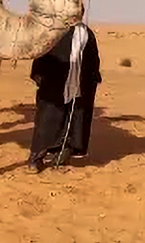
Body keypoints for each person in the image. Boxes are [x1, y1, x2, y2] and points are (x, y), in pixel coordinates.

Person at [27, 21, 102, 173]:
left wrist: (92, 79)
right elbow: (42, 52)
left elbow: (93, 58)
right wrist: (38, 74)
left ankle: (61, 156)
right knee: (47, 121)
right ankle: (36, 159)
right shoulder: (54, 31)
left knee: (74, 121)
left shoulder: (86, 33)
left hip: (79, 86)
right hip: (53, 85)